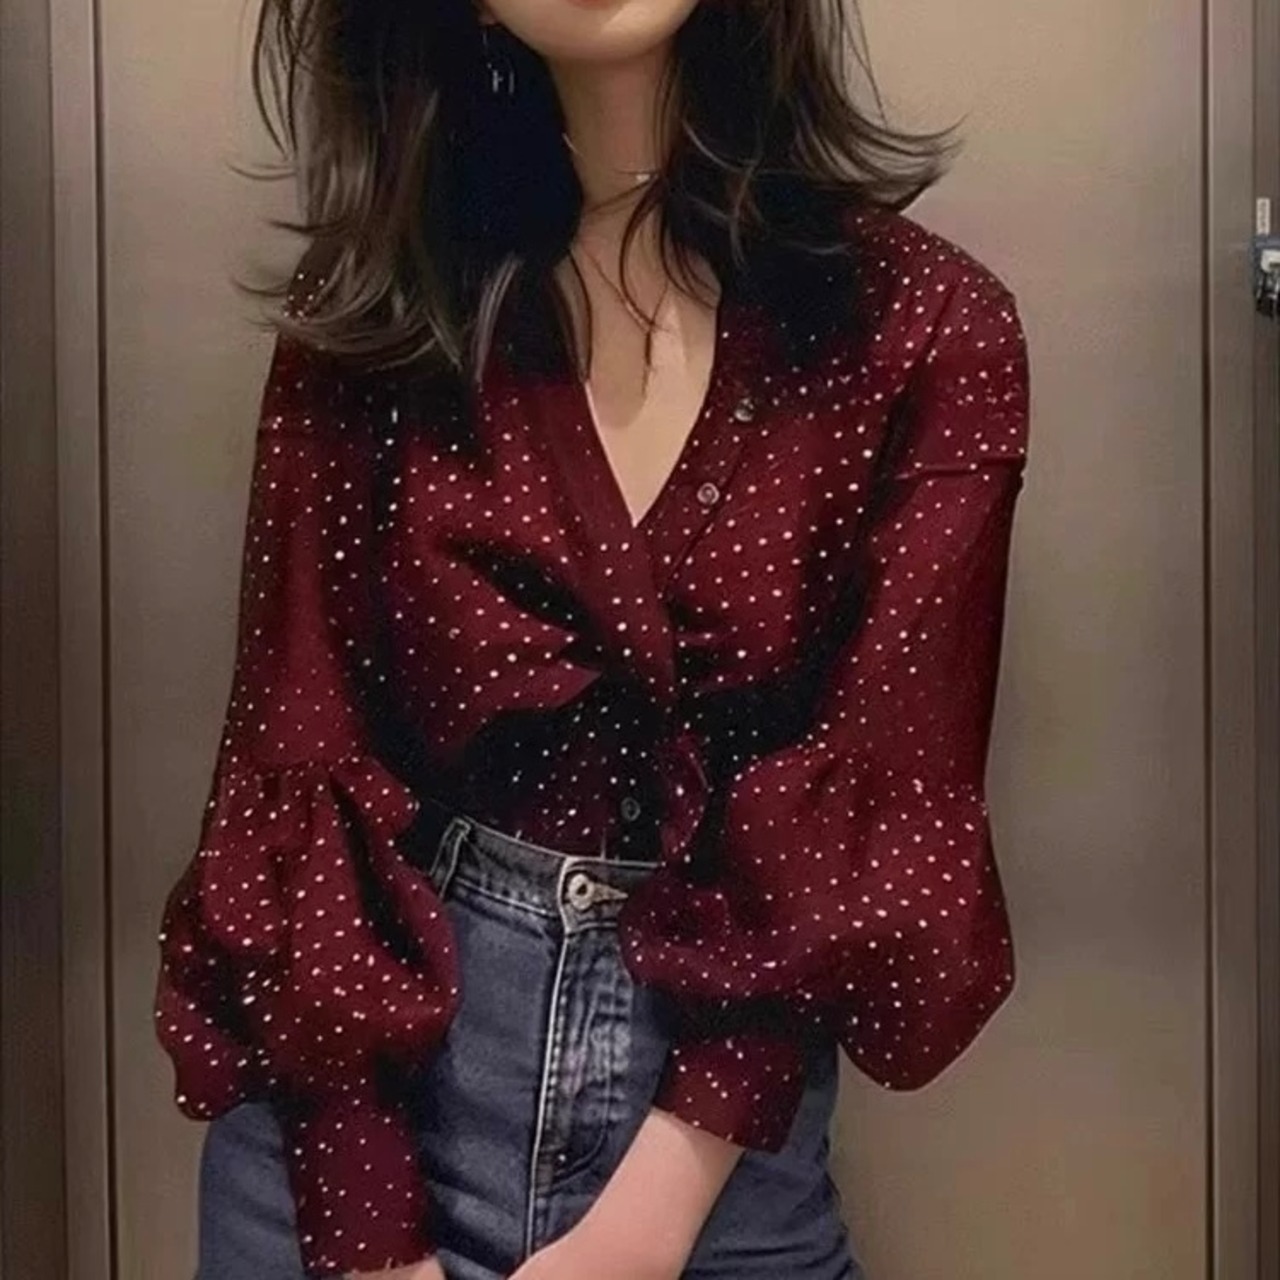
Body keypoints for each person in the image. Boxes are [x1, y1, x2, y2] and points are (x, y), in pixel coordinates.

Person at [152, 0, 1032, 1277]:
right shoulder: (374, 318)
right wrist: (369, 1235)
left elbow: (886, 806)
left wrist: (648, 1216)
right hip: (352, 1143)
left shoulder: (922, 329)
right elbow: (295, 744)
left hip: (719, 1180)